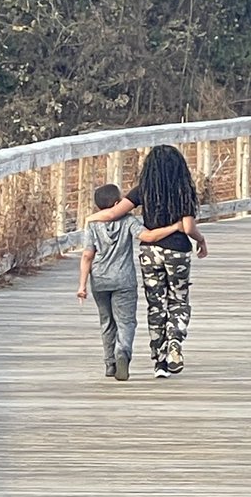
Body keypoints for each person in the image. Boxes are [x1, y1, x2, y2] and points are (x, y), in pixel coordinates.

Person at [86, 144, 208, 378]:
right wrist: (201, 240)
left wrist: (90, 219)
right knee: (179, 300)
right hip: (178, 251)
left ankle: (160, 361)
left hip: (150, 252)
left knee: (156, 303)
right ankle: (174, 342)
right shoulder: (183, 191)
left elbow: (113, 213)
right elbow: (189, 227)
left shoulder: (143, 190)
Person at [77, 183, 185, 381]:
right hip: (124, 280)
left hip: (99, 280)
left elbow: (86, 255)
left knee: (107, 322)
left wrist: (82, 285)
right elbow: (149, 236)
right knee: (126, 322)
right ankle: (122, 353)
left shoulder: (92, 224)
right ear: (118, 203)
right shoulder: (128, 221)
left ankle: (110, 364)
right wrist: (175, 227)